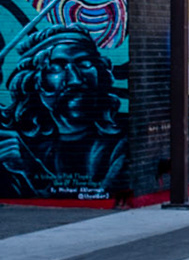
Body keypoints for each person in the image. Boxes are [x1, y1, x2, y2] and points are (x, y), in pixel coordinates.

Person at [0, 26, 126, 198]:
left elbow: (101, 195)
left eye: (85, 64)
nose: (75, 79)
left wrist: (28, 169)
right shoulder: (22, 144)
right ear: (33, 81)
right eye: (56, 67)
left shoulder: (123, 142)